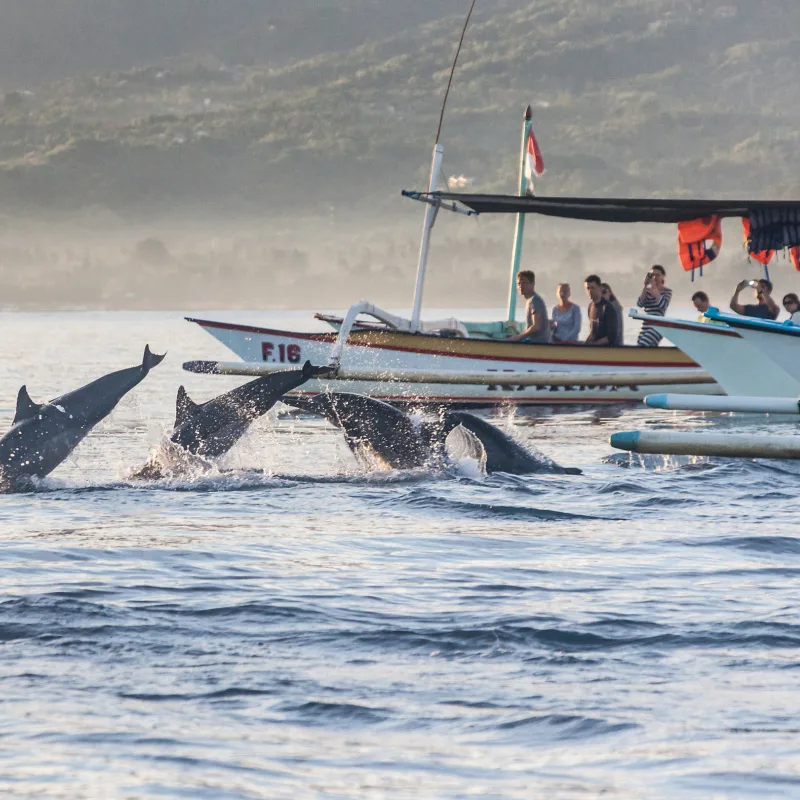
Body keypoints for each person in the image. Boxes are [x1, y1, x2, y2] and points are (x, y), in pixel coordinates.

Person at [507, 270, 551, 343]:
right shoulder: (530, 300)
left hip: (539, 343)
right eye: (518, 283)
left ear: (532, 284)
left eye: (524, 283)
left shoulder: (535, 300)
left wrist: (518, 337)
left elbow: (536, 326)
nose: (520, 286)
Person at [636, 264, 672, 347]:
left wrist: (655, 291)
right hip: (646, 325)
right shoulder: (647, 290)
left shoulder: (667, 291)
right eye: (653, 275)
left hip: (658, 326)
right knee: (639, 347)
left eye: (658, 275)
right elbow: (639, 304)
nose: (655, 277)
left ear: (663, 276)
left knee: (643, 345)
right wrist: (645, 287)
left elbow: (663, 305)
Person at [584, 274, 619, 346]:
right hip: (593, 350)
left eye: (593, 288)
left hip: (605, 352)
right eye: (588, 288)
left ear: (599, 288)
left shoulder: (608, 308)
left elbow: (611, 337)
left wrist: (594, 344)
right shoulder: (590, 306)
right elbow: (592, 333)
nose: (590, 291)